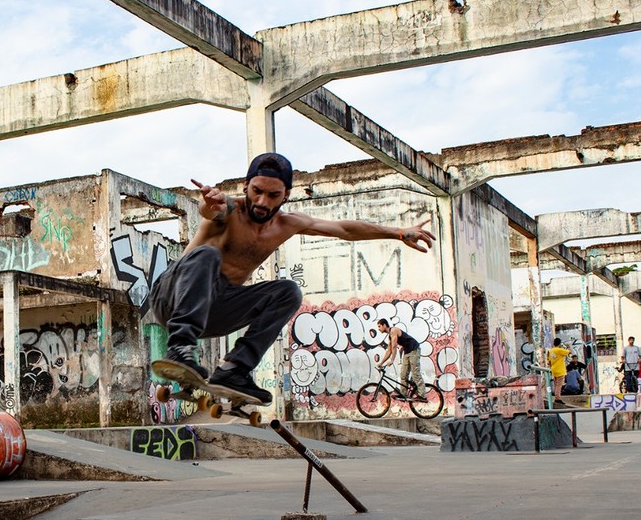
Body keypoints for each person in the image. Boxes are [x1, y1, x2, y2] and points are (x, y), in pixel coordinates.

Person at [149, 152, 435, 404]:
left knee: (288, 292)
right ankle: (180, 349)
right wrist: (211, 204)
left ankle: (234, 370)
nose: (262, 202)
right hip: (171, 298)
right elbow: (211, 209)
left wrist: (397, 233)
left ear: (286, 195)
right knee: (208, 255)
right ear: (246, 186)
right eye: (257, 191)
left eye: (273, 196)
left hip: (215, 311)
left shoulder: (288, 224)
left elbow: (344, 229)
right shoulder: (228, 210)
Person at [376, 318, 423, 397]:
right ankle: (403, 394)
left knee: (415, 373)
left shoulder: (393, 330)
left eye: (379, 326)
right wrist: (381, 363)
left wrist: (392, 360)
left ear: (384, 325)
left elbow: (394, 347)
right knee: (403, 375)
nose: (378, 329)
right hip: (407, 352)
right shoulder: (390, 336)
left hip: (414, 349)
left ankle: (422, 395)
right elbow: (389, 351)